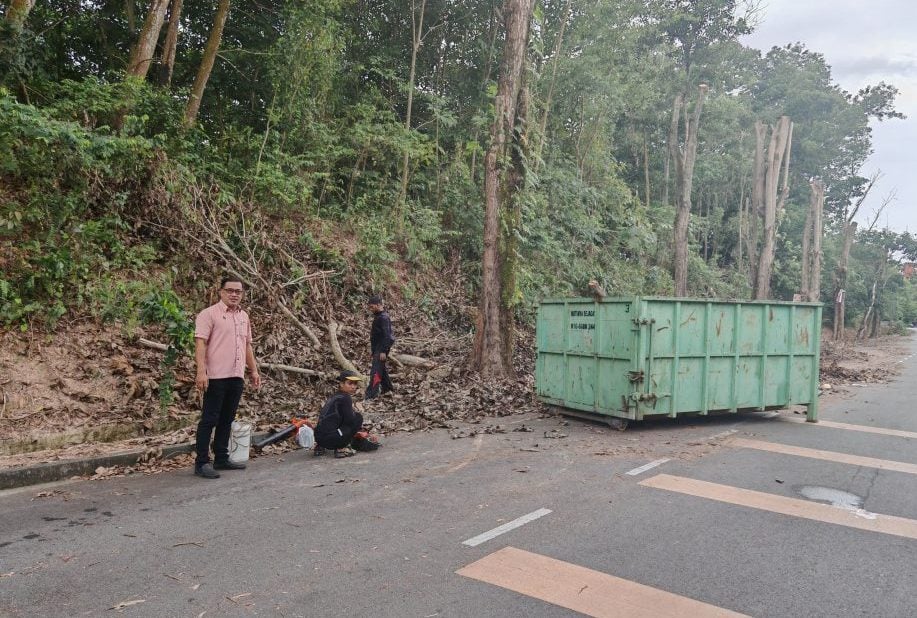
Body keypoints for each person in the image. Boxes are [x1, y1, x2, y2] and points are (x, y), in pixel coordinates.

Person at [193, 276, 261, 479]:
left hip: (236, 375)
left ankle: (221, 457)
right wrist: (201, 371)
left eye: (238, 292)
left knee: (227, 419)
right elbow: (200, 344)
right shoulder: (209, 314)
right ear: (221, 291)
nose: (234, 294)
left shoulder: (243, 316)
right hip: (215, 376)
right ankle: (202, 462)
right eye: (230, 290)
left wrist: (254, 370)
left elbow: (247, 345)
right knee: (209, 419)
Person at [314, 370, 365, 458]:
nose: (353, 387)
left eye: (355, 384)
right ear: (341, 384)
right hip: (331, 440)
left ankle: (320, 447)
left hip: (318, 438)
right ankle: (341, 447)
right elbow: (349, 420)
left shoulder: (335, 396)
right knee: (358, 418)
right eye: (350, 383)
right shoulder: (345, 398)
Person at [365, 294, 395, 400]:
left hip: (381, 349)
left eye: (372, 307)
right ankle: (388, 389)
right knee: (381, 369)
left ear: (378, 305)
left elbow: (388, 336)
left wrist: (383, 350)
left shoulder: (383, 318)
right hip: (377, 348)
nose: (371, 309)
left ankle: (371, 395)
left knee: (376, 372)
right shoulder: (379, 316)